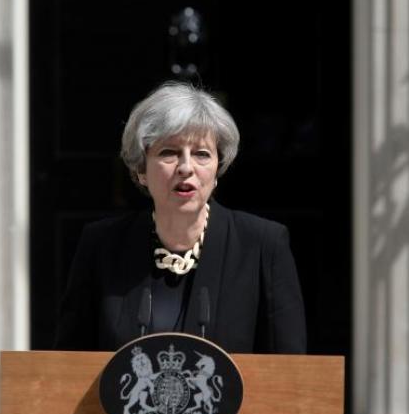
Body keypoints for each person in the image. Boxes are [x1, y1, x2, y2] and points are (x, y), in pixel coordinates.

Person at [53, 82, 306, 353]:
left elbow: (290, 369)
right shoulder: (101, 245)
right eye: (169, 152)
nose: (186, 167)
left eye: (201, 154)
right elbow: (68, 363)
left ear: (217, 169)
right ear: (141, 169)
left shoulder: (263, 245)